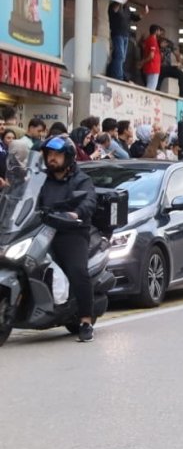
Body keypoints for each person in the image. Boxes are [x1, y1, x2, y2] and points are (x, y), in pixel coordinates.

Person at [37, 136, 98, 342]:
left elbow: (90, 200)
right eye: (49, 155)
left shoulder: (81, 180)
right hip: (42, 230)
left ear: (69, 157)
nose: (52, 159)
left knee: (77, 270)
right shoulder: (40, 178)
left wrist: (77, 212)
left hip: (71, 231)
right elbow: (26, 197)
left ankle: (86, 321)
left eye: (57, 155)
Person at [140, 24, 163, 91]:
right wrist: (142, 62)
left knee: (150, 86)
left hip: (151, 67)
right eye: (159, 30)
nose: (160, 32)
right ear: (156, 31)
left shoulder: (149, 39)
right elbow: (151, 55)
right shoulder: (152, 40)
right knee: (151, 89)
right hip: (153, 67)